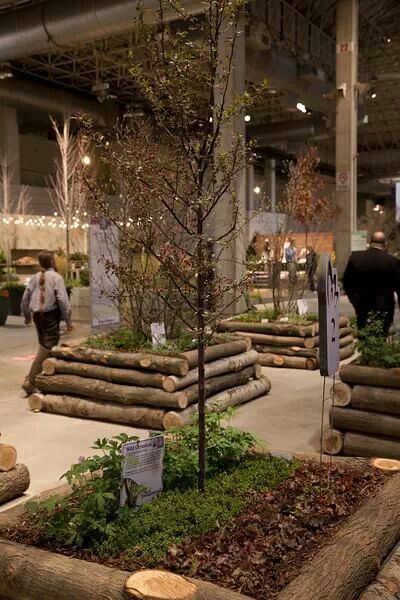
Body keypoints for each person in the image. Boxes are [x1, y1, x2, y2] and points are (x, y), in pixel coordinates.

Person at [21, 250, 72, 394]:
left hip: (37, 316)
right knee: (47, 347)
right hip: (50, 316)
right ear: (51, 262)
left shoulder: (34, 277)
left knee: (44, 345)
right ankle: (30, 381)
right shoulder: (57, 278)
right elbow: (63, 300)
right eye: (54, 259)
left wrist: (27, 315)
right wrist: (68, 321)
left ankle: (41, 380)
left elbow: (25, 298)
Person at [343, 231, 400, 336]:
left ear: (370, 242)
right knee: (381, 339)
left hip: (362, 308)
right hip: (385, 309)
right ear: (385, 244)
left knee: (364, 337)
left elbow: (347, 284)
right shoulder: (392, 262)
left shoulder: (355, 258)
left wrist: (355, 301)